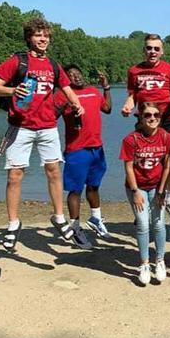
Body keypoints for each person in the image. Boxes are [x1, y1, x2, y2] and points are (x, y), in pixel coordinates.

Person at [0, 18, 85, 251]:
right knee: (15, 176)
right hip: (20, 126)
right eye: (38, 35)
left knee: (53, 170)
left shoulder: (53, 65)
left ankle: (59, 217)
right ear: (29, 38)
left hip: (47, 126)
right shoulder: (18, 61)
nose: (43, 39)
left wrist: (76, 104)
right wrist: (13, 89)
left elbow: (66, 87)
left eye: (46, 36)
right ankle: (13, 224)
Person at [121, 33, 170, 206]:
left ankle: (169, 197)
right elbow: (132, 95)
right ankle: (142, 197)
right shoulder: (134, 71)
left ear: (162, 51)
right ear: (144, 50)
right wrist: (128, 105)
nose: (152, 51)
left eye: (156, 48)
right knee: (143, 162)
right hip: (145, 120)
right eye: (149, 48)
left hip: (166, 118)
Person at [54, 65, 112, 249]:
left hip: (97, 148)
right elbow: (51, 115)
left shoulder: (93, 91)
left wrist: (107, 88)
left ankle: (95, 218)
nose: (75, 77)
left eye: (77, 73)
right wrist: (66, 105)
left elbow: (108, 109)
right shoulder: (63, 95)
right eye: (70, 75)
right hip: (77, 149)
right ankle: (75, 227)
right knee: (76, 190)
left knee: (94, 186)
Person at [120, 103, 170, 285]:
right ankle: (144, 263)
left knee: (158, 222)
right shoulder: (131, 139)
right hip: (137, 186)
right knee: (143, 223)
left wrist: (161, 191)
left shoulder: (166, 137)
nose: (152, 118)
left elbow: (167, 166)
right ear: (140, 118)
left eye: (156, 115)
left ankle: (160, 260)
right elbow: (128, 167)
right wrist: (135, 191)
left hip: (157, 186)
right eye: (148, 115)